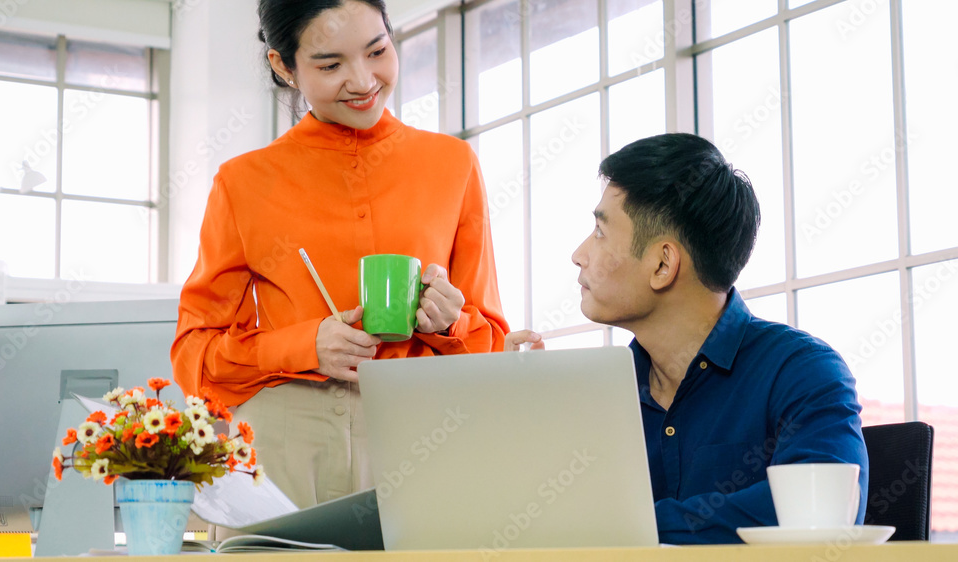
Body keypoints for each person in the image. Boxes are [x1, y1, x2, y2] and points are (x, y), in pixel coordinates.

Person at [172, 0, 508, 515]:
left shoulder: (452, 165)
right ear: (284, 66)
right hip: (285, 442)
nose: (362, 80)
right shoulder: (243, 182)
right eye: (330, 65)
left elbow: (493, 344)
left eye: (377, 51)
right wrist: (306, 345)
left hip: (424, 431)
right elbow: (195, 354)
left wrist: (450, 323)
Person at [507, 133, 867, 544]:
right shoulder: (599, 397)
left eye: (601, 232)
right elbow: (538, 525)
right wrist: (523, 414)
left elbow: (819, 514)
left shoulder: (802, 372)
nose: (579, 253)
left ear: (662, 264)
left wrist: (620, 525)